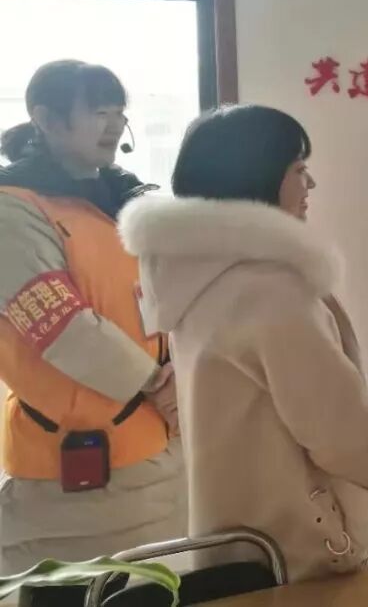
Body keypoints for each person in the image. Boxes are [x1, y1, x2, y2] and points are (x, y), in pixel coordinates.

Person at [119, 105, 368, 582]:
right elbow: (340, 430)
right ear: (256, 176)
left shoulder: (193, 275)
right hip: (301, 547)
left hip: (236, 539)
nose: (310, 183)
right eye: (298, 168)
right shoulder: (270, 290)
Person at [0, 60, 184, 577]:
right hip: (70, 470)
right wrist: (159, 384)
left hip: (155, 446)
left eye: (119, 113)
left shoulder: (126, 201)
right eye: (99, 112)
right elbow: (64, 328)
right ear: (46, 119)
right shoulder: (12, 210)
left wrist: (179, 376)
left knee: (163, 580)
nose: (114, 125)